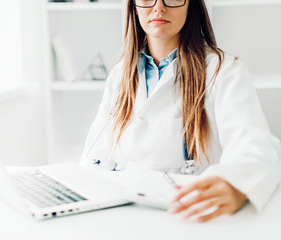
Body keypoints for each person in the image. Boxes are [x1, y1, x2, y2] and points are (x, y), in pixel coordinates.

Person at [79, 0, 281, 222]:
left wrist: (235, 184)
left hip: (189, 214)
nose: (158, 7)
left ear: (191, 4)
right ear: (133, 6)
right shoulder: (120, 74)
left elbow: (255, 148)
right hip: (124, 214)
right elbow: (93, 157)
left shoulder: (223, 71)